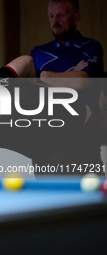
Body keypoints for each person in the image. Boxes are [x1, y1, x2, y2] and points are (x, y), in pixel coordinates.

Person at [30, 0, 104, 166]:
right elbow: (28, 86)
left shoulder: (91, 47)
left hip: (83, 137)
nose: (55, 21)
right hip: (44, 138)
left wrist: (41, 76)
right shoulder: (38, 52)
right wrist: (70, 75)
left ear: (76, 18)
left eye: (61, 15)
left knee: (93, 191)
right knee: (45, 191)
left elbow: (81, 82)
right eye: (51, 16)